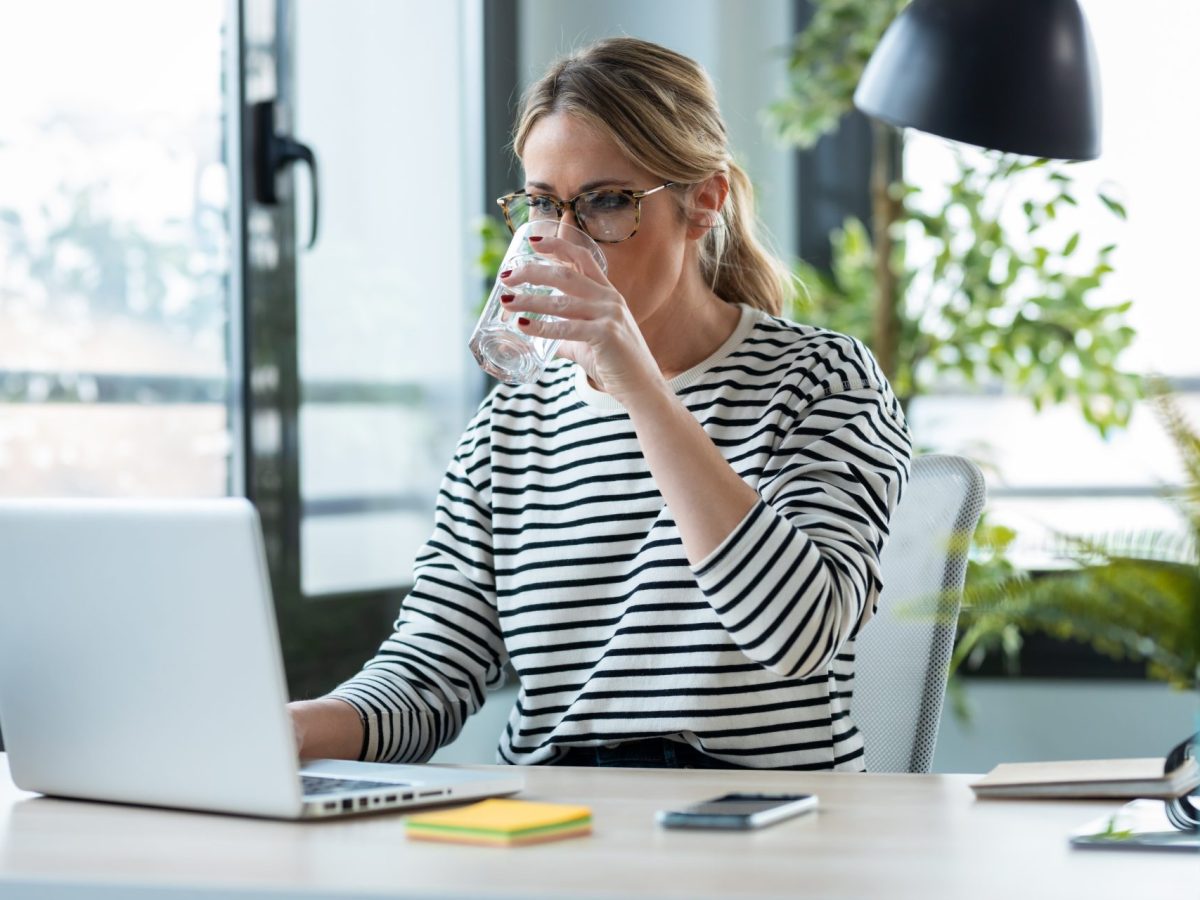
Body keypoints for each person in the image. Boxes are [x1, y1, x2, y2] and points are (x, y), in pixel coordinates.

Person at [290, 36, 911, 771]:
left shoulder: (820, 381)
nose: (564, 240)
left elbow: (799, 633)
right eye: (546, 205)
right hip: (560, 831)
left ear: (704, 201)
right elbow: (428, 678)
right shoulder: (506, 432)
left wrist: (642, 391)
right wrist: (286, 728)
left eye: (607, 202)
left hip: (762, 833)